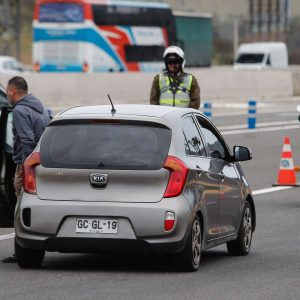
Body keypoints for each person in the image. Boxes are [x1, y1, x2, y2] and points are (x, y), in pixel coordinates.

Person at [2, 76, 50, 263]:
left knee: (20, 207)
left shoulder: (21, 110)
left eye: (7, 91)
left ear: (13, 91)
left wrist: (24, 168)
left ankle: (22, 248)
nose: (7, 95)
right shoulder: (39, 107)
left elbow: (27, 140)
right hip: (41, 162)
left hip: (27, 164)